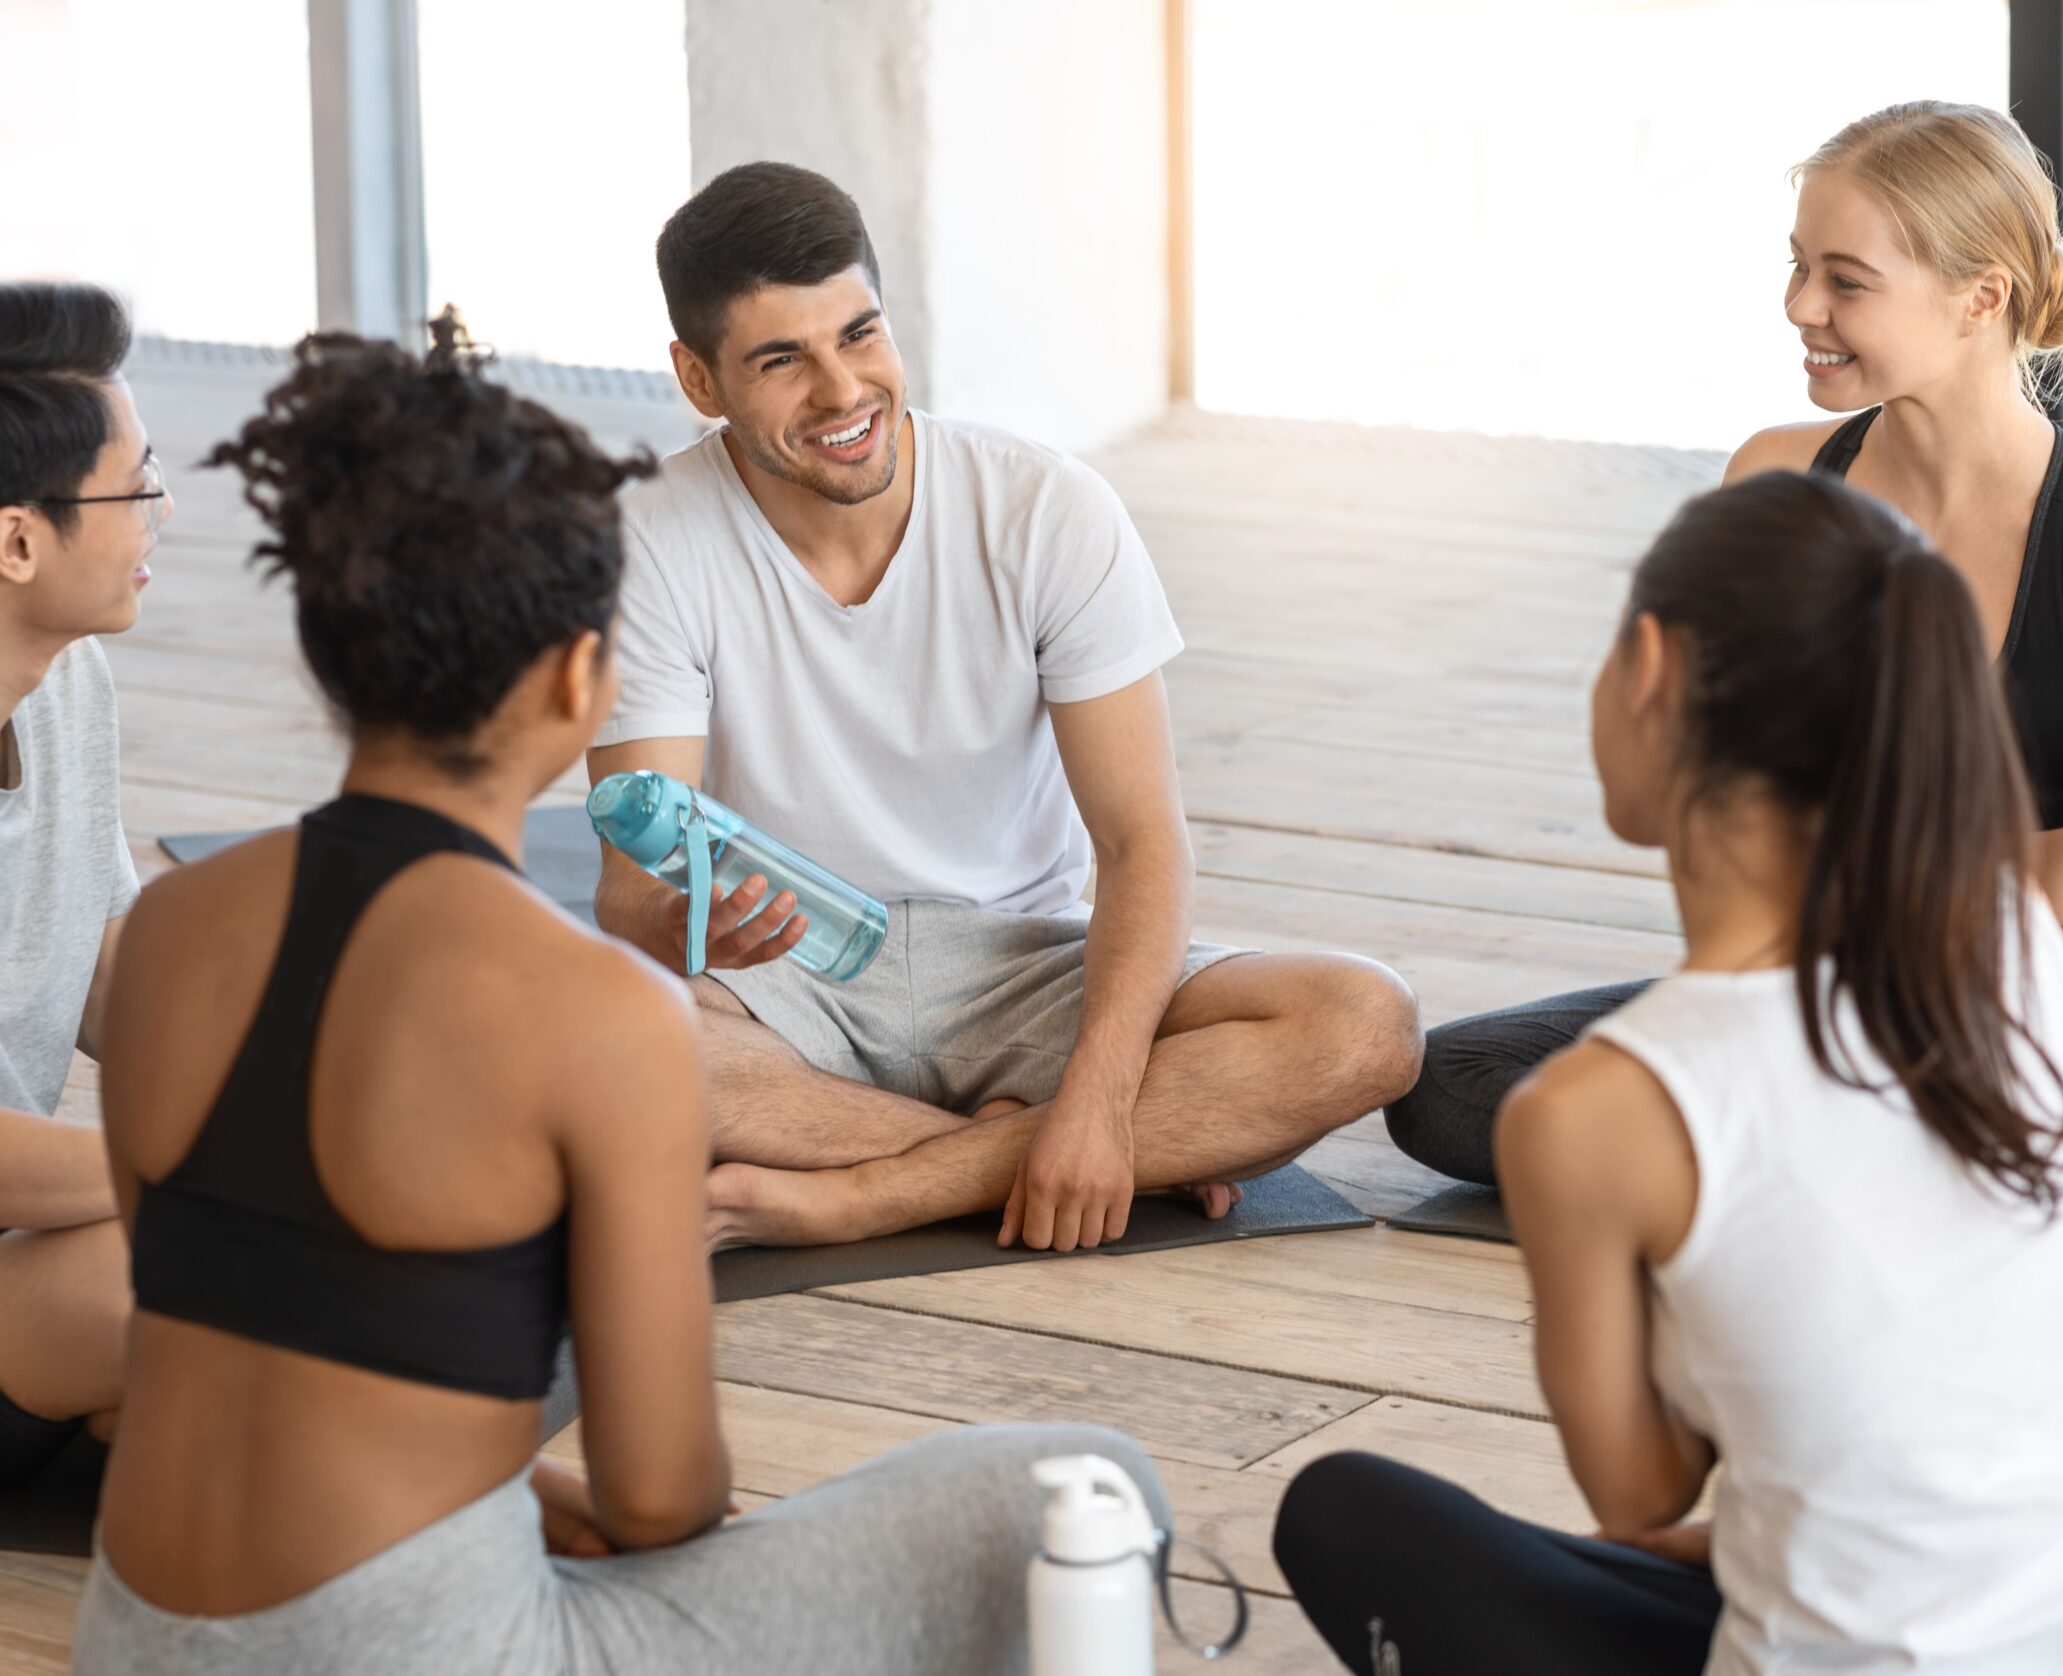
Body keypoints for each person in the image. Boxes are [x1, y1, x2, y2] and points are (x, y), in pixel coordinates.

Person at [77, 323, 1171, 1676]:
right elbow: (666, 1501)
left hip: (133, 1638)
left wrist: (509, 1496)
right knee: (1085, 1486)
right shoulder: (596, 1012)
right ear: (578, 677)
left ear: (328, 661)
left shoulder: (172, 928)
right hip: (429, 1651)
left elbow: (222, 1325)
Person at [1274, 472, 2063, 1676]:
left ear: (1653, 671)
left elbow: (1642, 1486)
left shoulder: (1594, 1110)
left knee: (1343, 1512)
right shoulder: (2009, 935)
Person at [1385, 101, 2063, 1221]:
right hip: (1806, 993)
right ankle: (1895, 1161)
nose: (1800, 309)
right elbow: (1717, 798)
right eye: (1796, 268)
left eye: (1844, 280)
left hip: (2045, 1005)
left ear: (1983, 295)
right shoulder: (1775, 479)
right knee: (1444, 1089)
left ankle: (1772, 1152)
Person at [588, 162, 1422, 1252]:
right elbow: (625, 891)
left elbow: (1139, 842)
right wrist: (686, 920)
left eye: (860, 335)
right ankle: (1033, 1156)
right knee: (601, 1047)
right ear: (699, 380)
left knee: (1365, 1025)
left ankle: (866, 1189)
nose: (843, 394)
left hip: (1027, 961)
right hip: (788, 984)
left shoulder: (1045, 508)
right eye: (782, 360)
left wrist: (1098, 1087)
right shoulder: (644, 536)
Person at [0, 281, 163, 1490]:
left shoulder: (65, 680)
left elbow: (109, 964)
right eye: (140, 487)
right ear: (18, 540)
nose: (161, 517)